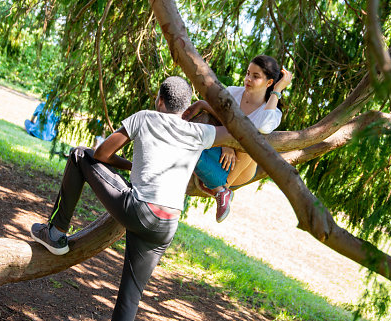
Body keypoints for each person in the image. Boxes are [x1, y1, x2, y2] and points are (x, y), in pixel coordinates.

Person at [30, 76, 231, 321]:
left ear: (159, 100)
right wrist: (204, 106)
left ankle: (56, 232)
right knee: (130, 297)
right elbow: (236, 130)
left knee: (79, 154)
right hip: (167, 225)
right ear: (186, 107)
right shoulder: (199, 132)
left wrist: (130, 166)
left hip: (140, 209)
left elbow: (102, 153)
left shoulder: (145, 117)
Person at [182, 55, 293, 223]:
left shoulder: (272, 112)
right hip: (220, 151)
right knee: (187, 142)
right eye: (248, 73)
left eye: (255, 76)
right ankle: (216, 188)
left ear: (269, 83)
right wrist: (227, 144)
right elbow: (218, 111)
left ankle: (221, 188)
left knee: (252, 141)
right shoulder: (234, 92)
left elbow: (263, 127)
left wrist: (278, 90)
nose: (248, 79)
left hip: (240, 165)